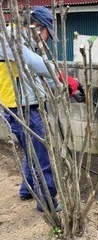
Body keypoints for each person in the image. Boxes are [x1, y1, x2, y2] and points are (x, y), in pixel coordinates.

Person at [0, 6, 82, 212]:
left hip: (22, 106)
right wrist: (65, 78)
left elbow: (38, 75)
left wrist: (67, 89)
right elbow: (35, 64)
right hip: (22, 108)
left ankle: (26, 190)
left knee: (31, 151)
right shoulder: (10, 37)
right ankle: (46, 202)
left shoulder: (25, 44)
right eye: (47, 35)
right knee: (42, 154)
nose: (46, 41)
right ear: (38, 27)